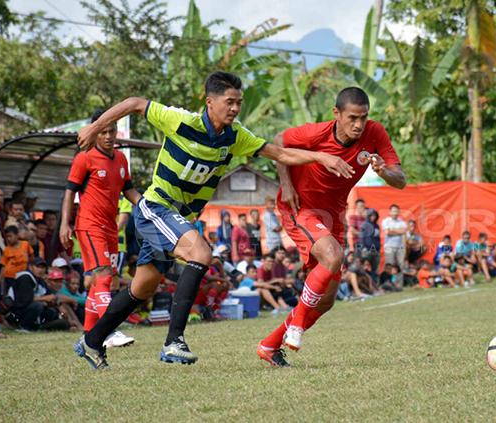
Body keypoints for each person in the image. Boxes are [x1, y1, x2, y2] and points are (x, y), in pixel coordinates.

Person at [73, 71, 353, 369]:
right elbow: (134, 102)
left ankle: (91, 341)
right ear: (209, 102)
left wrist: (322, 158)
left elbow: (280, 153)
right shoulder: (180, 121)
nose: (234, 108)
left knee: (143, 287)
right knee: (201, 253)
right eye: (229, 102)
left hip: (179, 218)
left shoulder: (236, 136)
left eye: (239, 103)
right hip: (157, 208)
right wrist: (95, 127)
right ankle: (174, 342)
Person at [258, 86, 405, 367]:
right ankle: (296, 325)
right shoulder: (316, 134)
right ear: (336, 114)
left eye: (363, 117)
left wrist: (384, 170)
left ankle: (269, 345)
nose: (359, 125)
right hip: (300, 207)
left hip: (334, 216)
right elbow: (278, 141)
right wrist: (287, 185)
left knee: (325, 301)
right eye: (352, 118)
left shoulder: (375, 133)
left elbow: (400, 179)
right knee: (333, 255)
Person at [60, 109, 141, 351]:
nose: (108, 136)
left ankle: (88, 338)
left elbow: (130, 191)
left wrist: (149, 206)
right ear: (94, 132)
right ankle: (109, 330)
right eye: (103, 131)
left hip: (110, 229)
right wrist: (65, 223)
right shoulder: (84, 158)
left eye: (112, 131)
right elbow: (69, 192)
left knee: (102, 282)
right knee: (104, 275)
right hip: (89, 226)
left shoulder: (121, 159)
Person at [7, 258, 70, 331]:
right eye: (38, 267)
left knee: (52, 311)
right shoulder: (25, 277)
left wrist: (58, 305)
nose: (41, 270)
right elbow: (24, 300)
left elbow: (50, 296)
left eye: (43, 267)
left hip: (32, 310)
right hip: (17, 312)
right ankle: (24, 327)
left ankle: (40, 327)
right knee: (37, 305)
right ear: (30, 267)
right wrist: (44, 299)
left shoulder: (40, 280)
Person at [0, 226, 34, 295]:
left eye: (10, 236)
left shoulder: (25, 244)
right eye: (7, 237)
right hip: (10, 277)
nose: (8, 239)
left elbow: (31, 257)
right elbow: (3, 266)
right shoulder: (7, 250)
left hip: (23, 275)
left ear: (17, 235)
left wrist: (31, 269)